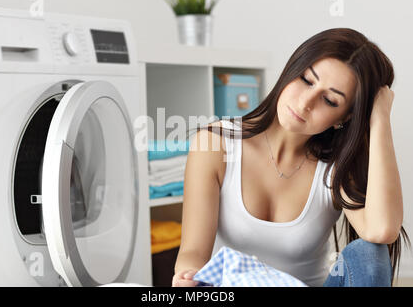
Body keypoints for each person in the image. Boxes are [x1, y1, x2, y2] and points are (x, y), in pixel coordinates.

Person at [173, 28, 410, 287]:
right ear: (291, 69)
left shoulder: (335, 168)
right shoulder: (216, 144)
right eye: (307, 80)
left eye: (330, 100)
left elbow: (381, 230)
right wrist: (188, 276)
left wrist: (379, 119)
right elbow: (193, 253)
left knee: (369, 253)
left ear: (345, 117)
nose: (306, 102)